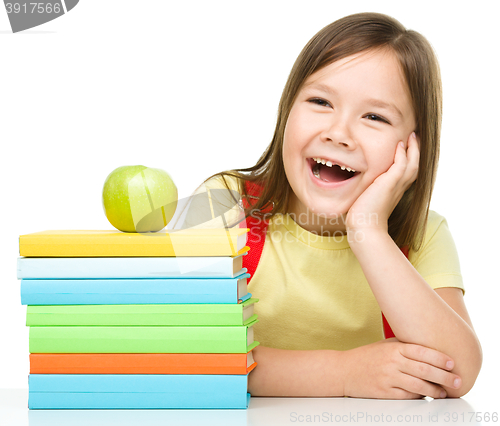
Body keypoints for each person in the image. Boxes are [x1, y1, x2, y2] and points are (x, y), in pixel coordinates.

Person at [173, 12, 482, 399]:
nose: (338, 133)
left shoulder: (423, 235)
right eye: (320, 101)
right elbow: (184, 351)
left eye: (374, 116)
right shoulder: (224, 203)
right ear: (288, 110)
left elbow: (457, 371)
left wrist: (369, 232)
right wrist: (344, 374)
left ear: (413, 149)